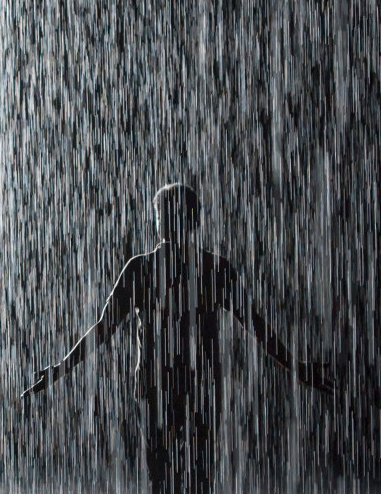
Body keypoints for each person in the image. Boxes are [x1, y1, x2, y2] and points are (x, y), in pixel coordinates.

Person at [22, 183, 332, 492]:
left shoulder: (152, 268)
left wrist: (62, 367)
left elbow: (104, 328)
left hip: (166, 384)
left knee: (168, 474)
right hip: (194, 383)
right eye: (163, 214)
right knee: (193, 473)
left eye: (168, 214)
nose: (166, 220)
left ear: (187, 221)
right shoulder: (206, 268)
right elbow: (256, 325)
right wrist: (295, 366)